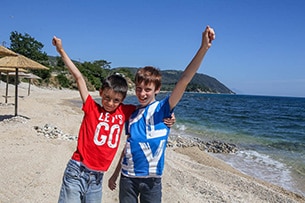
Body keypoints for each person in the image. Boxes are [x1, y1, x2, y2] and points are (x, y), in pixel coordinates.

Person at [52, 36, 176, 203]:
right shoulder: (91, 107)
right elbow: (79, 78)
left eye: (116, 100)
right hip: (77, 169)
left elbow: (150, 110)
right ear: (101, 92)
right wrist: (61, 50)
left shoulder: (125, 112)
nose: (110, 103)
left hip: (97, 178)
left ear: (122, 99)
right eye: (107, 98)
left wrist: (169, 116)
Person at [108, 25, 215, 203]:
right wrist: (115, 174)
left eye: (147, 89)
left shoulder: (163, 109)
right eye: (139, 88)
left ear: (157, 89)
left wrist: (203, 48)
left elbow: (184, 79)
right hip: (128, 178)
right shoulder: (132, 115)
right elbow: (128, 146)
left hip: (152, 181)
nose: (142, 93)